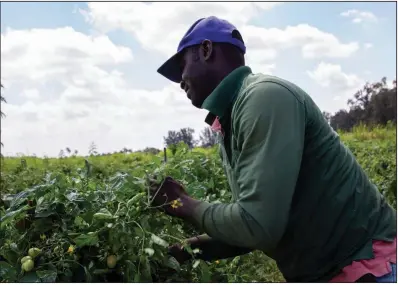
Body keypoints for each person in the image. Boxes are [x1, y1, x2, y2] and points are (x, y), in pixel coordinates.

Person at [151, 16, 397, 282]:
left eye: (182, 65)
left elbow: (258, 225)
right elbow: (255, 224)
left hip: (368, 264)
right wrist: (188, 250)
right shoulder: (231, 120)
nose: (181, 82)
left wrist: (183, 203)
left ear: (206, 50)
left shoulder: (264, 98)